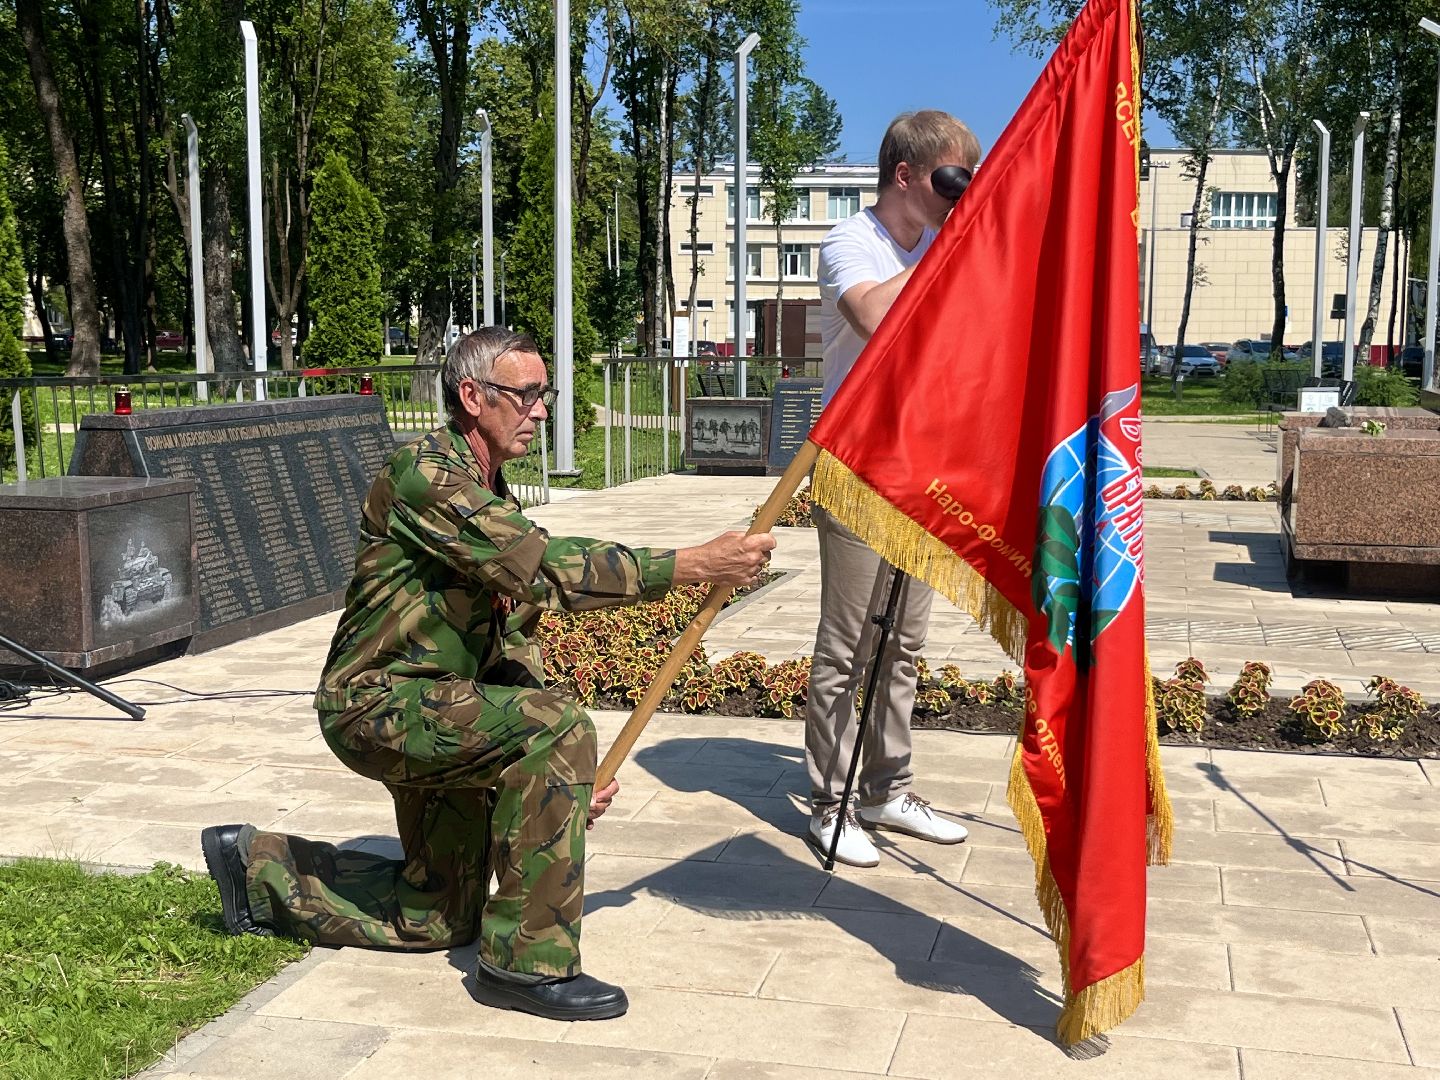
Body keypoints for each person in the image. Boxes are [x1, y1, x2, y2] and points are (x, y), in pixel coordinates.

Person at [201, 327, 774, 1021]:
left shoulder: (489, 490)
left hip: (442, 707)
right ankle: (528, 967)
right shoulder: (428, 477)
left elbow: (514, 631)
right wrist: (689, 566)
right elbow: (543, 567)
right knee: (556, 732)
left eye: (544, 393)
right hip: (376, 707)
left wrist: (553, 782)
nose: (540, 410)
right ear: (472, 397)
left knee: (438, 917)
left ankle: (256, 867)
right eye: (525, 394)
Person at [805, 110, 981, 867]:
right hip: (855, 464)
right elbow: (878, 316)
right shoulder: (852, 242)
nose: (961, 192)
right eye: (953, 176)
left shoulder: (945, 244)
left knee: (903, 642)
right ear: (907, 175)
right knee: (848, 645)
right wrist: (954, 250)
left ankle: (885, 787)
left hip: (921, 464)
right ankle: (829, 799)